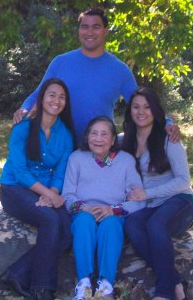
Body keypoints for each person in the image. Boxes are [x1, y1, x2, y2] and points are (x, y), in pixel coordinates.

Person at [13, 7, 180, 144]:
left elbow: (142, 104)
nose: (89, 32)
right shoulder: (61, 62)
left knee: (101, 184)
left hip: (100, 147)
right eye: (84, 26)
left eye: (96, 27)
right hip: (61, 144)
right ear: (79, 30)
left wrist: (168, 123)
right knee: (61, 185)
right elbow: (39, 94)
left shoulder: (120, 70)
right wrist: (24, 108)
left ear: (105, 30)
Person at [0, 78, 77, 300]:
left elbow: (61, 171)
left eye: (62, 97)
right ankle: (42, 289)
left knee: (68, 226)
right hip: (14, 188)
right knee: (50, 220)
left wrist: (52, 193)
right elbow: (20, 172)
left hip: (45, 189)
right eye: (52, 95)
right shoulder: (23, 127)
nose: (57, 100)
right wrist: (48, 194)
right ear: (42, 98)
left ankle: (16, 273)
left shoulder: (66, 134)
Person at [121, 88, 193, 300]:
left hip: (179, 201)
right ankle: (175, 281)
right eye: (136, 107)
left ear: (155, 110)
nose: (141, 112)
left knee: (155, 225)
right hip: (150, 205)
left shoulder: (168, 138)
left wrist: (146, 193)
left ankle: (164, 293)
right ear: (130, 111)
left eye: (147, 107)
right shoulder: (124, 140)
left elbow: (184, 181)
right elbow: (99, 145)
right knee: (133, 224)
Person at [62, 116, 145, 300]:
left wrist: (113, 209)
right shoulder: (76, 158)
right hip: (84, 211)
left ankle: (106, 285)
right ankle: (84, 283)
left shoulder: (125, 161)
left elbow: (139, 200)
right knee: (84, 223)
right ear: (87, 136)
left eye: (104, 134)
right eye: (94, 133)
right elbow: (67, 196)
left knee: (111, 225)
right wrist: (86, 208)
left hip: (113, 211)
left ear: (113, 139)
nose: (98, 139)